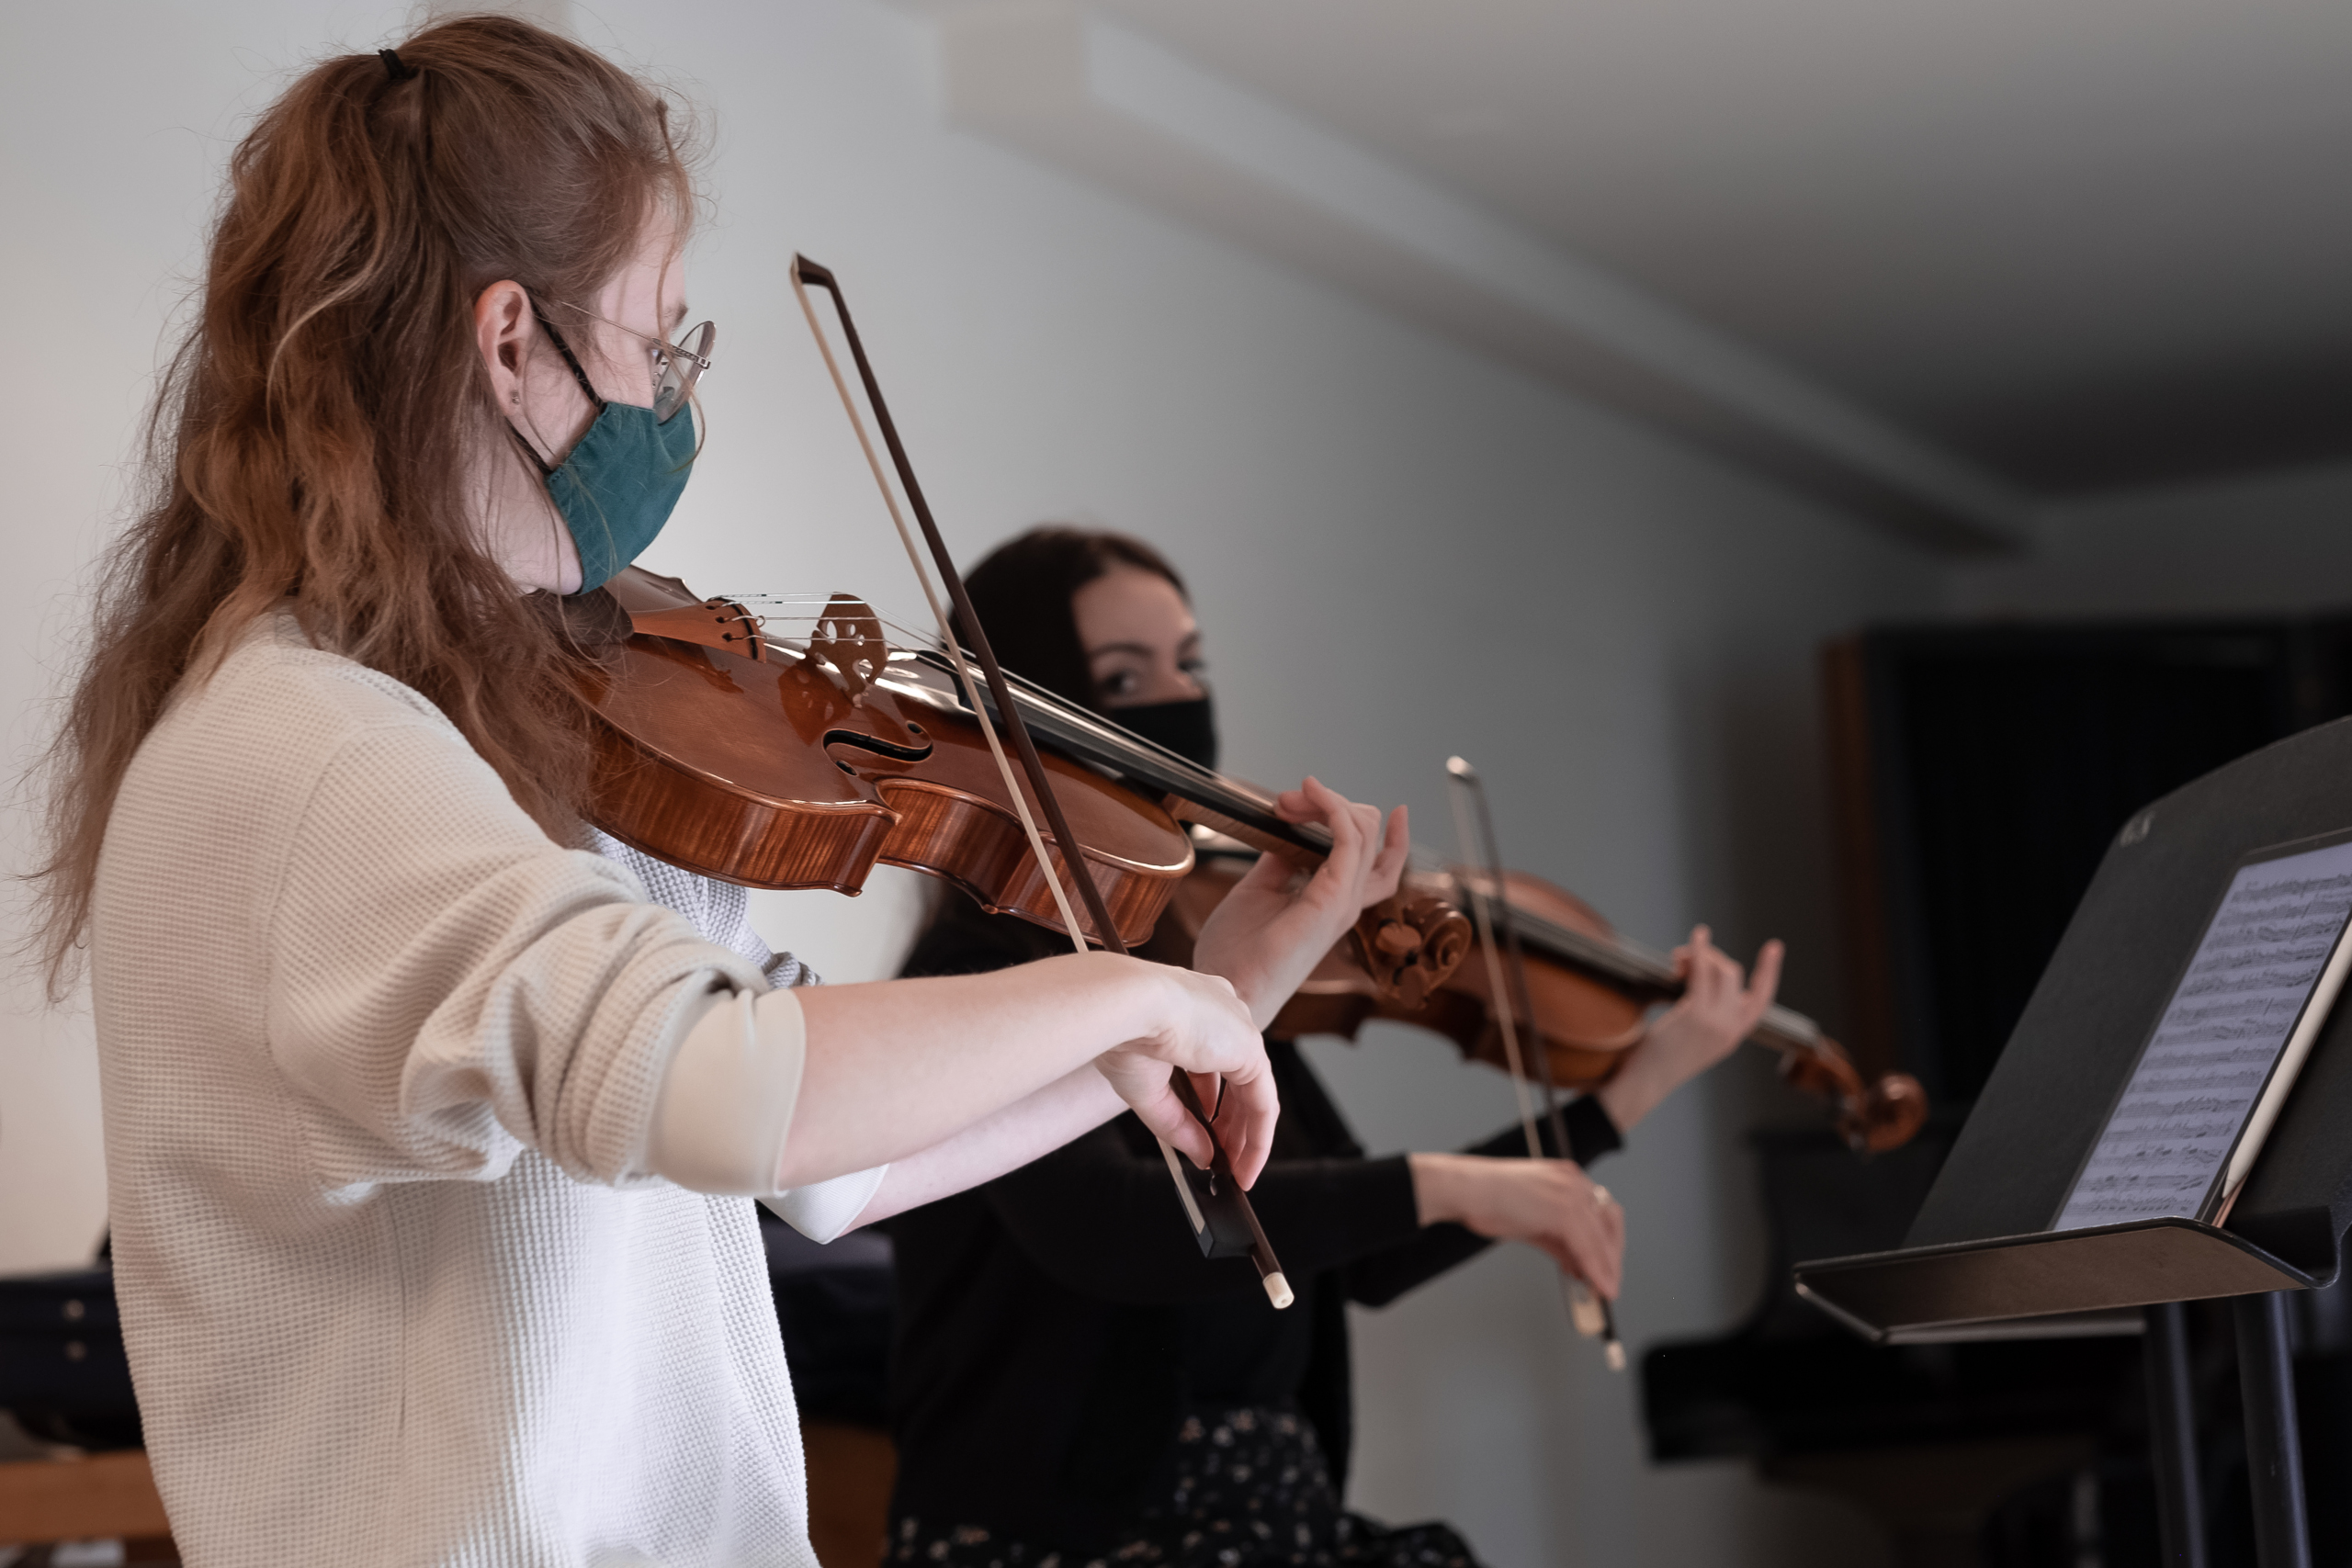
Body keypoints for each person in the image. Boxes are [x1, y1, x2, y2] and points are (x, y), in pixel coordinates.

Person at [30, 22, 1410, 1565]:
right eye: (660, 335)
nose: (679, 391)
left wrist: (1195, 998)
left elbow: (829, 1155)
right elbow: (731, 1081)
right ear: (508, 345)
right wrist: (1121, 996)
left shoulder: (508, 737)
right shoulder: (310, 754)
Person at [881, 527, 1783, 1568]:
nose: (1179, 703)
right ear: (1028, 705)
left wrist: (1634, 1089)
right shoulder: (970, 977)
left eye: (1191, 663)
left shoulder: (1187, 972)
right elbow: (1116, 1231)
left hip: (1266, 1517)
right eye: (1125, 677)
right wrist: (1452, 1183)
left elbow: (1360, 1239)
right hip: (1060, 1538)